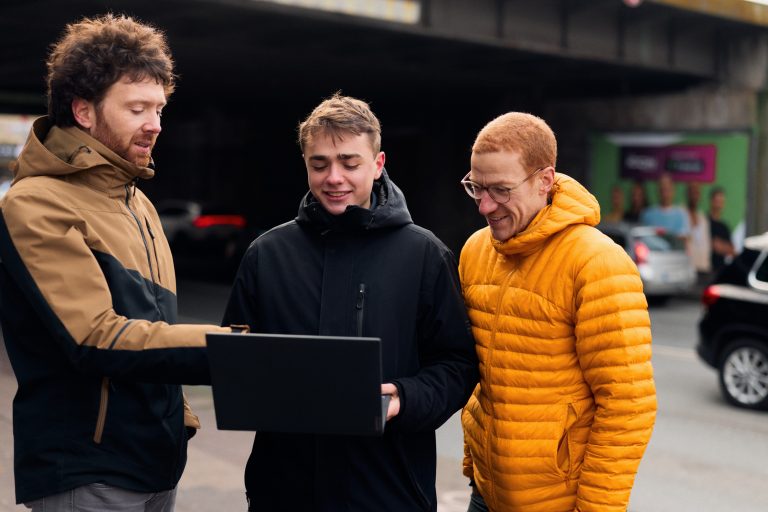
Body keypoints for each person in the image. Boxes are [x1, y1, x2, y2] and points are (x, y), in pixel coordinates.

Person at [0, 14, 242, 511]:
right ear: (84, 111)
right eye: (137, 108)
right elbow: (96, 338)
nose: (155, 124)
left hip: (157, 462)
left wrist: (180, 420)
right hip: (88, 471)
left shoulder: (138, 202)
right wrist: (238, 348)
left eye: (159, 108)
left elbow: (155, 327)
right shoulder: (35, 203)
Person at [221, 93, 478, 512]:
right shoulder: (266, 255)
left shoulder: (425, 255)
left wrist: (406, 397)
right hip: (283, 492)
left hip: (388, 492)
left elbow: (458, 363)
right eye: (319, 164)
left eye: (349, 163)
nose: (333, 177)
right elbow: (236, 361)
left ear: (378, 165)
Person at [458, 112, 657, 512]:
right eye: (476, 187)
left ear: (544, 181)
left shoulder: (598, 263)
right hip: (486, 493)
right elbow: (484, 379)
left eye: (500, 190)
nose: (484, 206)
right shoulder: (475, 250)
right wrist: (473, 462)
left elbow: (627, 405)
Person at [640, 172, 689, 237]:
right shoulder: (647, 214)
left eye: (667, 189)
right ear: (657, 190)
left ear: (673, 190)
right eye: (662, 189)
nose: (665, 193)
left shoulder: (681, 214)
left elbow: (683, 238)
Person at [686, 181, 712, 279]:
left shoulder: (703, 218)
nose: (694, 196)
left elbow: (707, 244)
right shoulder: (680, 213)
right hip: (687, 269)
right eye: (692, 192)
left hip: (704, 268)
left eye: (697, 193)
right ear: (687, 194)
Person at [708, 186, 735, 273]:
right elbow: (711, 244)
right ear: (712, 201)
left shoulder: (724, 226)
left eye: (721, 201)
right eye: (717, 201)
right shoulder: (704, 222)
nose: (719, 204)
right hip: (707, 267)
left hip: (720, 270)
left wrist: (721, 246)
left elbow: (732, 250)